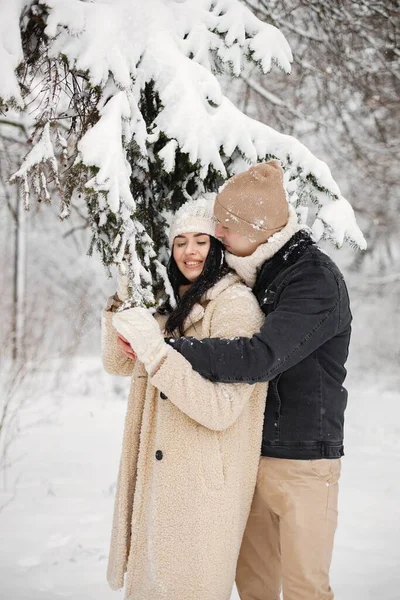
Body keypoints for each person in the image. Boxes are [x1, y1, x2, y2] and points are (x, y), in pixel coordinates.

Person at [124, 162, 352, 600]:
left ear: (259, 229)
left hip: (303, 461)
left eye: (225, 228)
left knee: (305, 587)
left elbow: (259, 358)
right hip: (253, 455)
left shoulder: (314, 280)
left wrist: (167, 349)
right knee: (254, 586)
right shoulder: (260, 272)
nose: (218, 236)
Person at [102, 197, 268, 600]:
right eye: (180, 242)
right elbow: (117, 365)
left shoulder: (236, 308)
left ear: (218, 248)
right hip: (155, 483)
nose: (189, 252)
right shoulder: (171, 304)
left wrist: (157, 353)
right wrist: (124, 302)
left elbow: (222, 408)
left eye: (200, 241)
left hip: (201, 490)